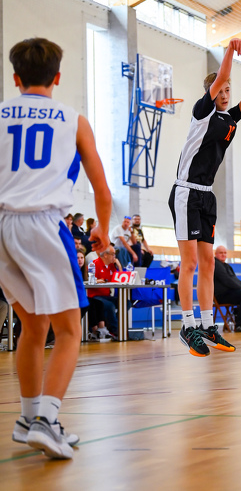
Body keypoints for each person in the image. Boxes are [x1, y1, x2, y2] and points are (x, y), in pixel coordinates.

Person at [0, 37, 111, 459]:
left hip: (3, 226)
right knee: (68, 330)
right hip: (44, 224)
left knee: (33, 327)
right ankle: (46, 421)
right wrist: (102, 230)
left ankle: (28, 419)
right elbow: (101, 188)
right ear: (57, 77)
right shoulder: (73, 120)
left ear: (16, 78)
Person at [169, 37, 241, 356]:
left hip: (207, 195)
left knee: (208, 264)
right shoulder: (202, 113)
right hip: (186, 192)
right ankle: (187, 326)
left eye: (227, 91)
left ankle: (208, 325)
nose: (224, 94)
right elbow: (220, 77)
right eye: (220, 90)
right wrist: (230, 51)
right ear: (210, 93)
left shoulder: (230, 118)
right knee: (190, 262)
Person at [87, 247, 123, 338]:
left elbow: (121, 280)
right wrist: (98, 281)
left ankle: (117, 326)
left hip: (106, 295)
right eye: (113, 254)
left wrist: (119, 266)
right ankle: (116, 331)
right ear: (106, 255)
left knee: (125, 303)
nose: (115, 257)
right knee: (110, 305)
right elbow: (90, 280)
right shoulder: (94, 264)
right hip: (95, 296)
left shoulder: (111, 266)